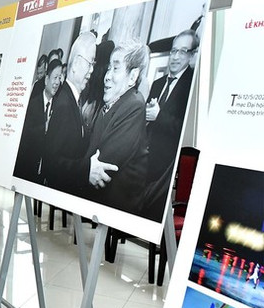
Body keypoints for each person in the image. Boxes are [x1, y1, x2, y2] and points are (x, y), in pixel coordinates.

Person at [43, 32, 116, 194]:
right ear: (76, 63)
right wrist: (86, 169)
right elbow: (51, 163)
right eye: (90, 63)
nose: (92, 70)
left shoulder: (72, 99)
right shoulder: (64, 104)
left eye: (93, 64)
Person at [84, 38, 149, 213]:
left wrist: (77, 169)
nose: (107, 76)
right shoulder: (113, 103)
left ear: (133, 76)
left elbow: (105, 161)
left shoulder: (134, 105)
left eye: (116, 68)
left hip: (118, 207)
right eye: (108, 68)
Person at [142, 30, 198, 220]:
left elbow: (185, 128)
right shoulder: (157, 84)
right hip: (145, 160)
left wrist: (159, 116)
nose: (175, 57)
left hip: (167, 168)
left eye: (182, 51)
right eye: (174, 51)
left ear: (191, 55)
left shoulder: (192, 86)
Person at [14, 59, 63, 183]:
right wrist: (45, 127)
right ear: (46, 80)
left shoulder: (58, 107)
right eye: (55, 77)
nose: (57, 82)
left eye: (60, 78)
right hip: (25, 169)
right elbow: (25, 134)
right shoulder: (32, 105)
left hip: (42, 176)